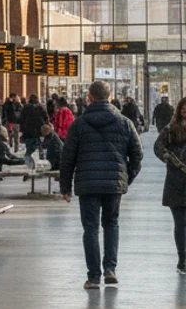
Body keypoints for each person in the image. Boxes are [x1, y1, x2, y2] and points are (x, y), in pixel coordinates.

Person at [60, 80, 143, 290]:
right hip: (113, 183)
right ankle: (110, 269)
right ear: (110, 96)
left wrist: (65, 187)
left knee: (90, 228)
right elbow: (137, 155)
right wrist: (125, 178)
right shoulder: (124, 123)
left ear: (89, 97)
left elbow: (67, 157)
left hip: (87, 184)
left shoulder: (78, 125)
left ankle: (94, 277)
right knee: (111, 224)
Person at [154, 97, 186, 274]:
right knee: (180, 223)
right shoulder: (171, 129)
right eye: (184, 111)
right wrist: (173, 160)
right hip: (176, 181)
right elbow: (158, 147)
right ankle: (183, 258)